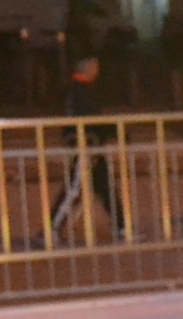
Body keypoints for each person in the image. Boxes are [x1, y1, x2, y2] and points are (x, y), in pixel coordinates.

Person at [47, 55, 125, 240]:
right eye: (95, 68)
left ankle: (121, 227)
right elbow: (91, 118)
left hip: (91, 144)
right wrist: (111, 131)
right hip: (86, 145)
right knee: (75, 189)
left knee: (104, 187)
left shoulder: (79, 91)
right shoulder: (79, 92)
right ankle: (51, 229)